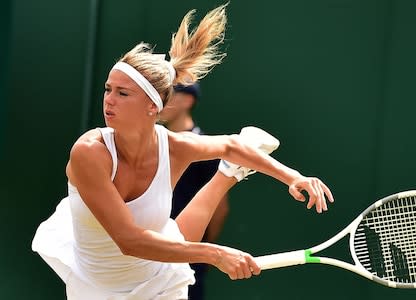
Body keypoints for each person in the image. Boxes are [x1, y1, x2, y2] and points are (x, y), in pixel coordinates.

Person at [32, 4, 334, 300]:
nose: (109, 100)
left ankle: (228, 172)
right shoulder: (90, 152)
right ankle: (228, 172)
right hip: (99, 282)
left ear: (153, 106)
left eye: (123, 93)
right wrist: (215, 254)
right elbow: (128, 240)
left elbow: (231, 144)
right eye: (108, 89)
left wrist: (293, 177)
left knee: (170, 235)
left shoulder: (175, 147)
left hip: (158, 280)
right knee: (168, 236)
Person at [158, 82, 229, 300]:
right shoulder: (157, 144)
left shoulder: (204, 148)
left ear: (188, 100)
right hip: (153, 251)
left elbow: (220, 208)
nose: (162, 102)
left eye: (169, 95)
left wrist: (201, 250)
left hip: (187, 255)